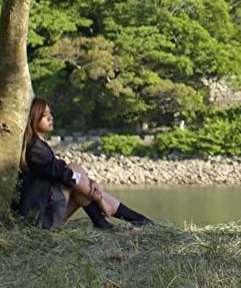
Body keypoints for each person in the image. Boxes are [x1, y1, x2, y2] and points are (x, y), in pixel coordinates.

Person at [17, 97, 152, 229]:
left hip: (46, 214)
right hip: (40, 219)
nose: (50, 118)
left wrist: (92, 182)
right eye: (44, 115)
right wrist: (98, 199)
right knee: (73, 170)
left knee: (75, 175)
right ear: (34, 118)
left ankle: (108, 222)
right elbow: (63, 174)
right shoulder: (35, 148)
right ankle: (123, 218)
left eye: (50, 113)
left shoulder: (38, 146)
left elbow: (61, 169)